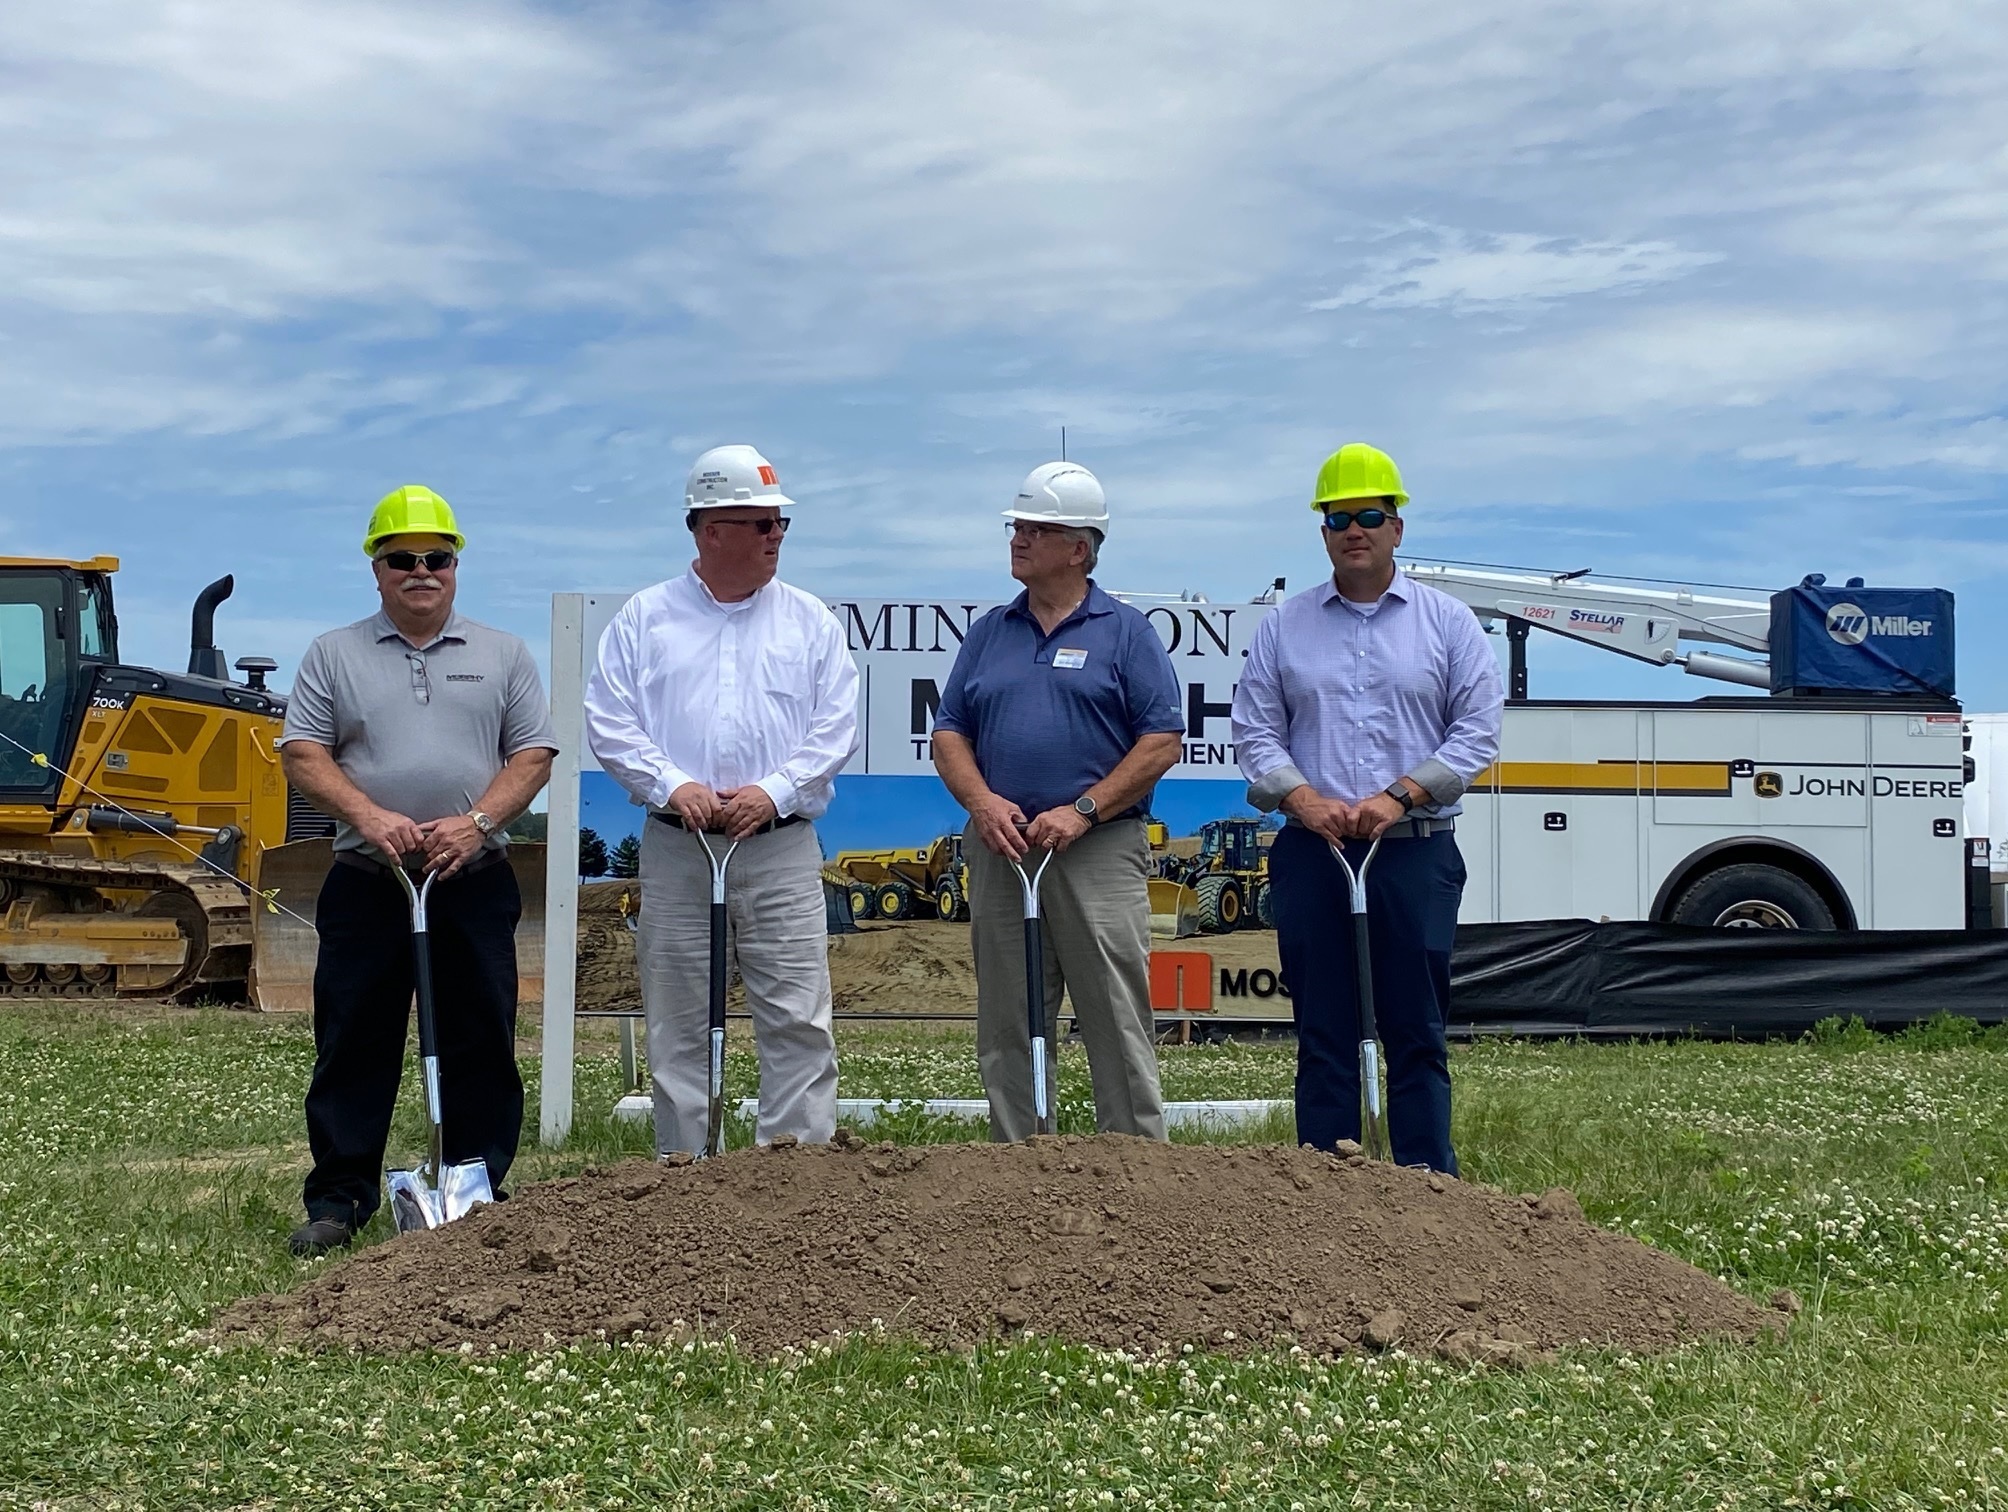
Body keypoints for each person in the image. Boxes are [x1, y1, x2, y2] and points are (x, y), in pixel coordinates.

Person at [280, 485, 557, 1256]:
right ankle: (339, 1200)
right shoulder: (334, 654)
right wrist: (370, 817)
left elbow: (532, 755)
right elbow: (305, 752)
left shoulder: (502, 654)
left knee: (481, 1037)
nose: (421, 571)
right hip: (372, 883)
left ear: (456, 565)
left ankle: (476, 1189)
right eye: (402, 559)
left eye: (437, 557)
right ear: (377, 569)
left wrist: (476, 826)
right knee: (353, 1041)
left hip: (470, 880)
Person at [1232, 443, 1502, 1172]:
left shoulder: (1447, 624)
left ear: (1397, 527)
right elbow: (1255, 731)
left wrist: (1400, 795)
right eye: (1339, 517)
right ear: (1323, 531)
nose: (1356, 529)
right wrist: (1303, 798)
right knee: (1324, 1029)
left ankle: (1427, 1189)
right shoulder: (1284, 627)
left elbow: (1477, 730)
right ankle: (1326, 1189)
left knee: (1416, 1027)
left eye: (1371, 516)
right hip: (1313, 854)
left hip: (1413, 851)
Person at [585, 444, 858, 1153]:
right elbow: (609, 722)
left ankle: (792, 1184)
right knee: (677, 1020)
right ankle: (685, 1178)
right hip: (679, 847)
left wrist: (771, 792)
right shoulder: (644, 620)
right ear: (710, 529)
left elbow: (836, 728)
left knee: (797, 1019)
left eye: (780, 525)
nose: (777, 537)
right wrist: (673, 783)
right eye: (762, 523)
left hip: (781, 848)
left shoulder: (810, 623)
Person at [932, 462, 1184, 1142]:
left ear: (1080, 547)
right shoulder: (989, 633)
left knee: (1114, 1015)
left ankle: (1135, 1169)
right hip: (1002, 850)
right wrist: (982, 802)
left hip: (1096, 850)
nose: (1018, 539)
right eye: (1017, 526)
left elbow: (1161, 741)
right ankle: (1019, 1171)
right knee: (1010, 1018)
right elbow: (949, 732)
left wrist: (1084, 809)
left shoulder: (1125, 632)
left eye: (1036, 529)